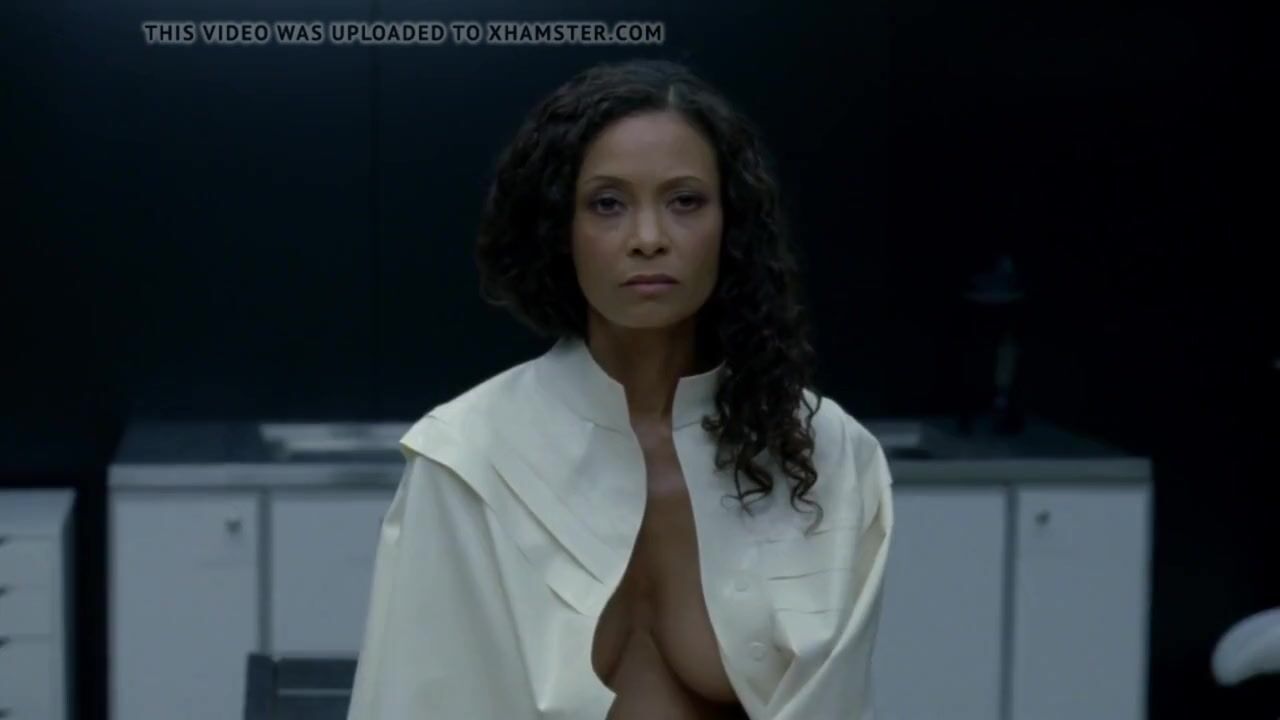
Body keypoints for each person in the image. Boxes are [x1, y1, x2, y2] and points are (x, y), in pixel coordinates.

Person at [346, 57, 895, 720]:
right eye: (607, 204)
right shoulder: (468, 457)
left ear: (732, 224)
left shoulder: (828, 453)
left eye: (685, 201)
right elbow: (412, 702)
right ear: (559, 228)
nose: (648, 239)